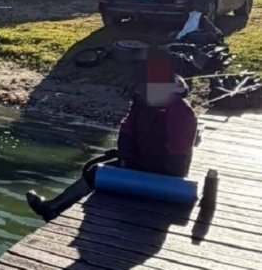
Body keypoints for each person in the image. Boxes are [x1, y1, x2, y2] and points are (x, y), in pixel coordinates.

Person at [26, 71, 197, 222]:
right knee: (92, 168)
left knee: (94, 172)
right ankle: (54, 206)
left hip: (164, 171)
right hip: (140, 161)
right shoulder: (143, 103)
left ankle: (53, 207)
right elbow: (126, 131)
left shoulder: (181, 111)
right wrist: (124, 157)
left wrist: (151, 169)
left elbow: (178, 150)